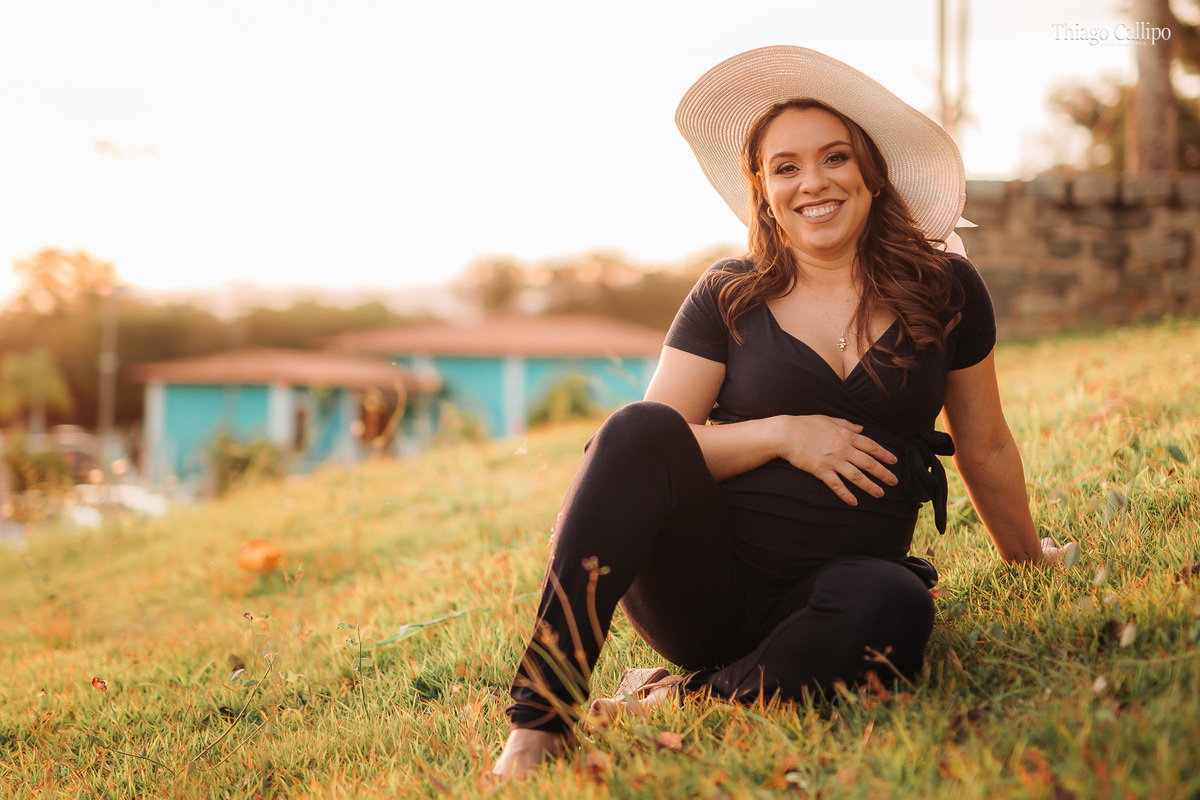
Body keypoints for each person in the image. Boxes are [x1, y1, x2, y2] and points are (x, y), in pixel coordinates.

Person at [490, 45, 1063, 778]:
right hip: (704, 591)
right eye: (786, 167)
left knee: (897, 606)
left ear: (872, 172)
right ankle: (540, 722)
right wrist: (784, 435)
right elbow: (649, 453)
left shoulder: (945, 287)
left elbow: (985, 445)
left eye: (835, 158)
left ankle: (684, 699)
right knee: (636, 424)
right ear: (762, 191)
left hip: (841, 585)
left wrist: (1029, 559)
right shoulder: (728, 293)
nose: (812, 182)